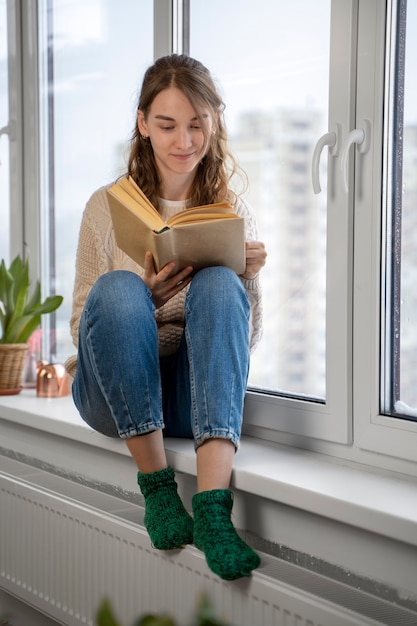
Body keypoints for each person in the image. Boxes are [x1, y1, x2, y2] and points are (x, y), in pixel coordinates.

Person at [66, 54, 267, 581]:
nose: (184, 141)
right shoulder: (103, 208)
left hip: (186, 398)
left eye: (197, 124)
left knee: (222, 283)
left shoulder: (230, 210)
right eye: (167, 125)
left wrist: (245, 276)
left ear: (214, 123)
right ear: (142, 125)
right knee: (119, 289)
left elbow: (245, 340)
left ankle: (212, 513)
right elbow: (83, 325)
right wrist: (148, 300)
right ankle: (158, 491)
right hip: (113, 394)